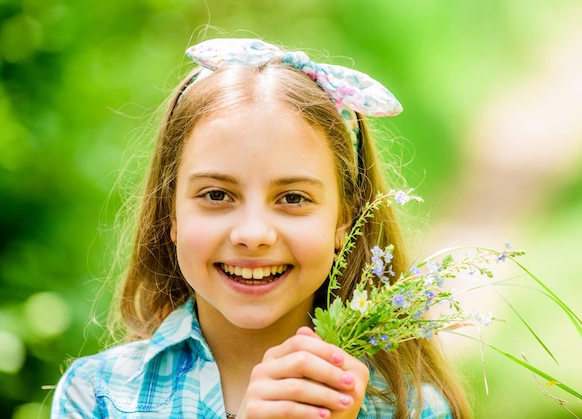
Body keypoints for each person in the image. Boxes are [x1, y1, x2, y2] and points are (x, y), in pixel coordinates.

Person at [52, 38, 471, 418]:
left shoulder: (411, 409)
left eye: (292, 198)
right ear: (171, 214)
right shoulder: (98, 396)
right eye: (217, 195)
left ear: (345, 220)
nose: (253, 234)